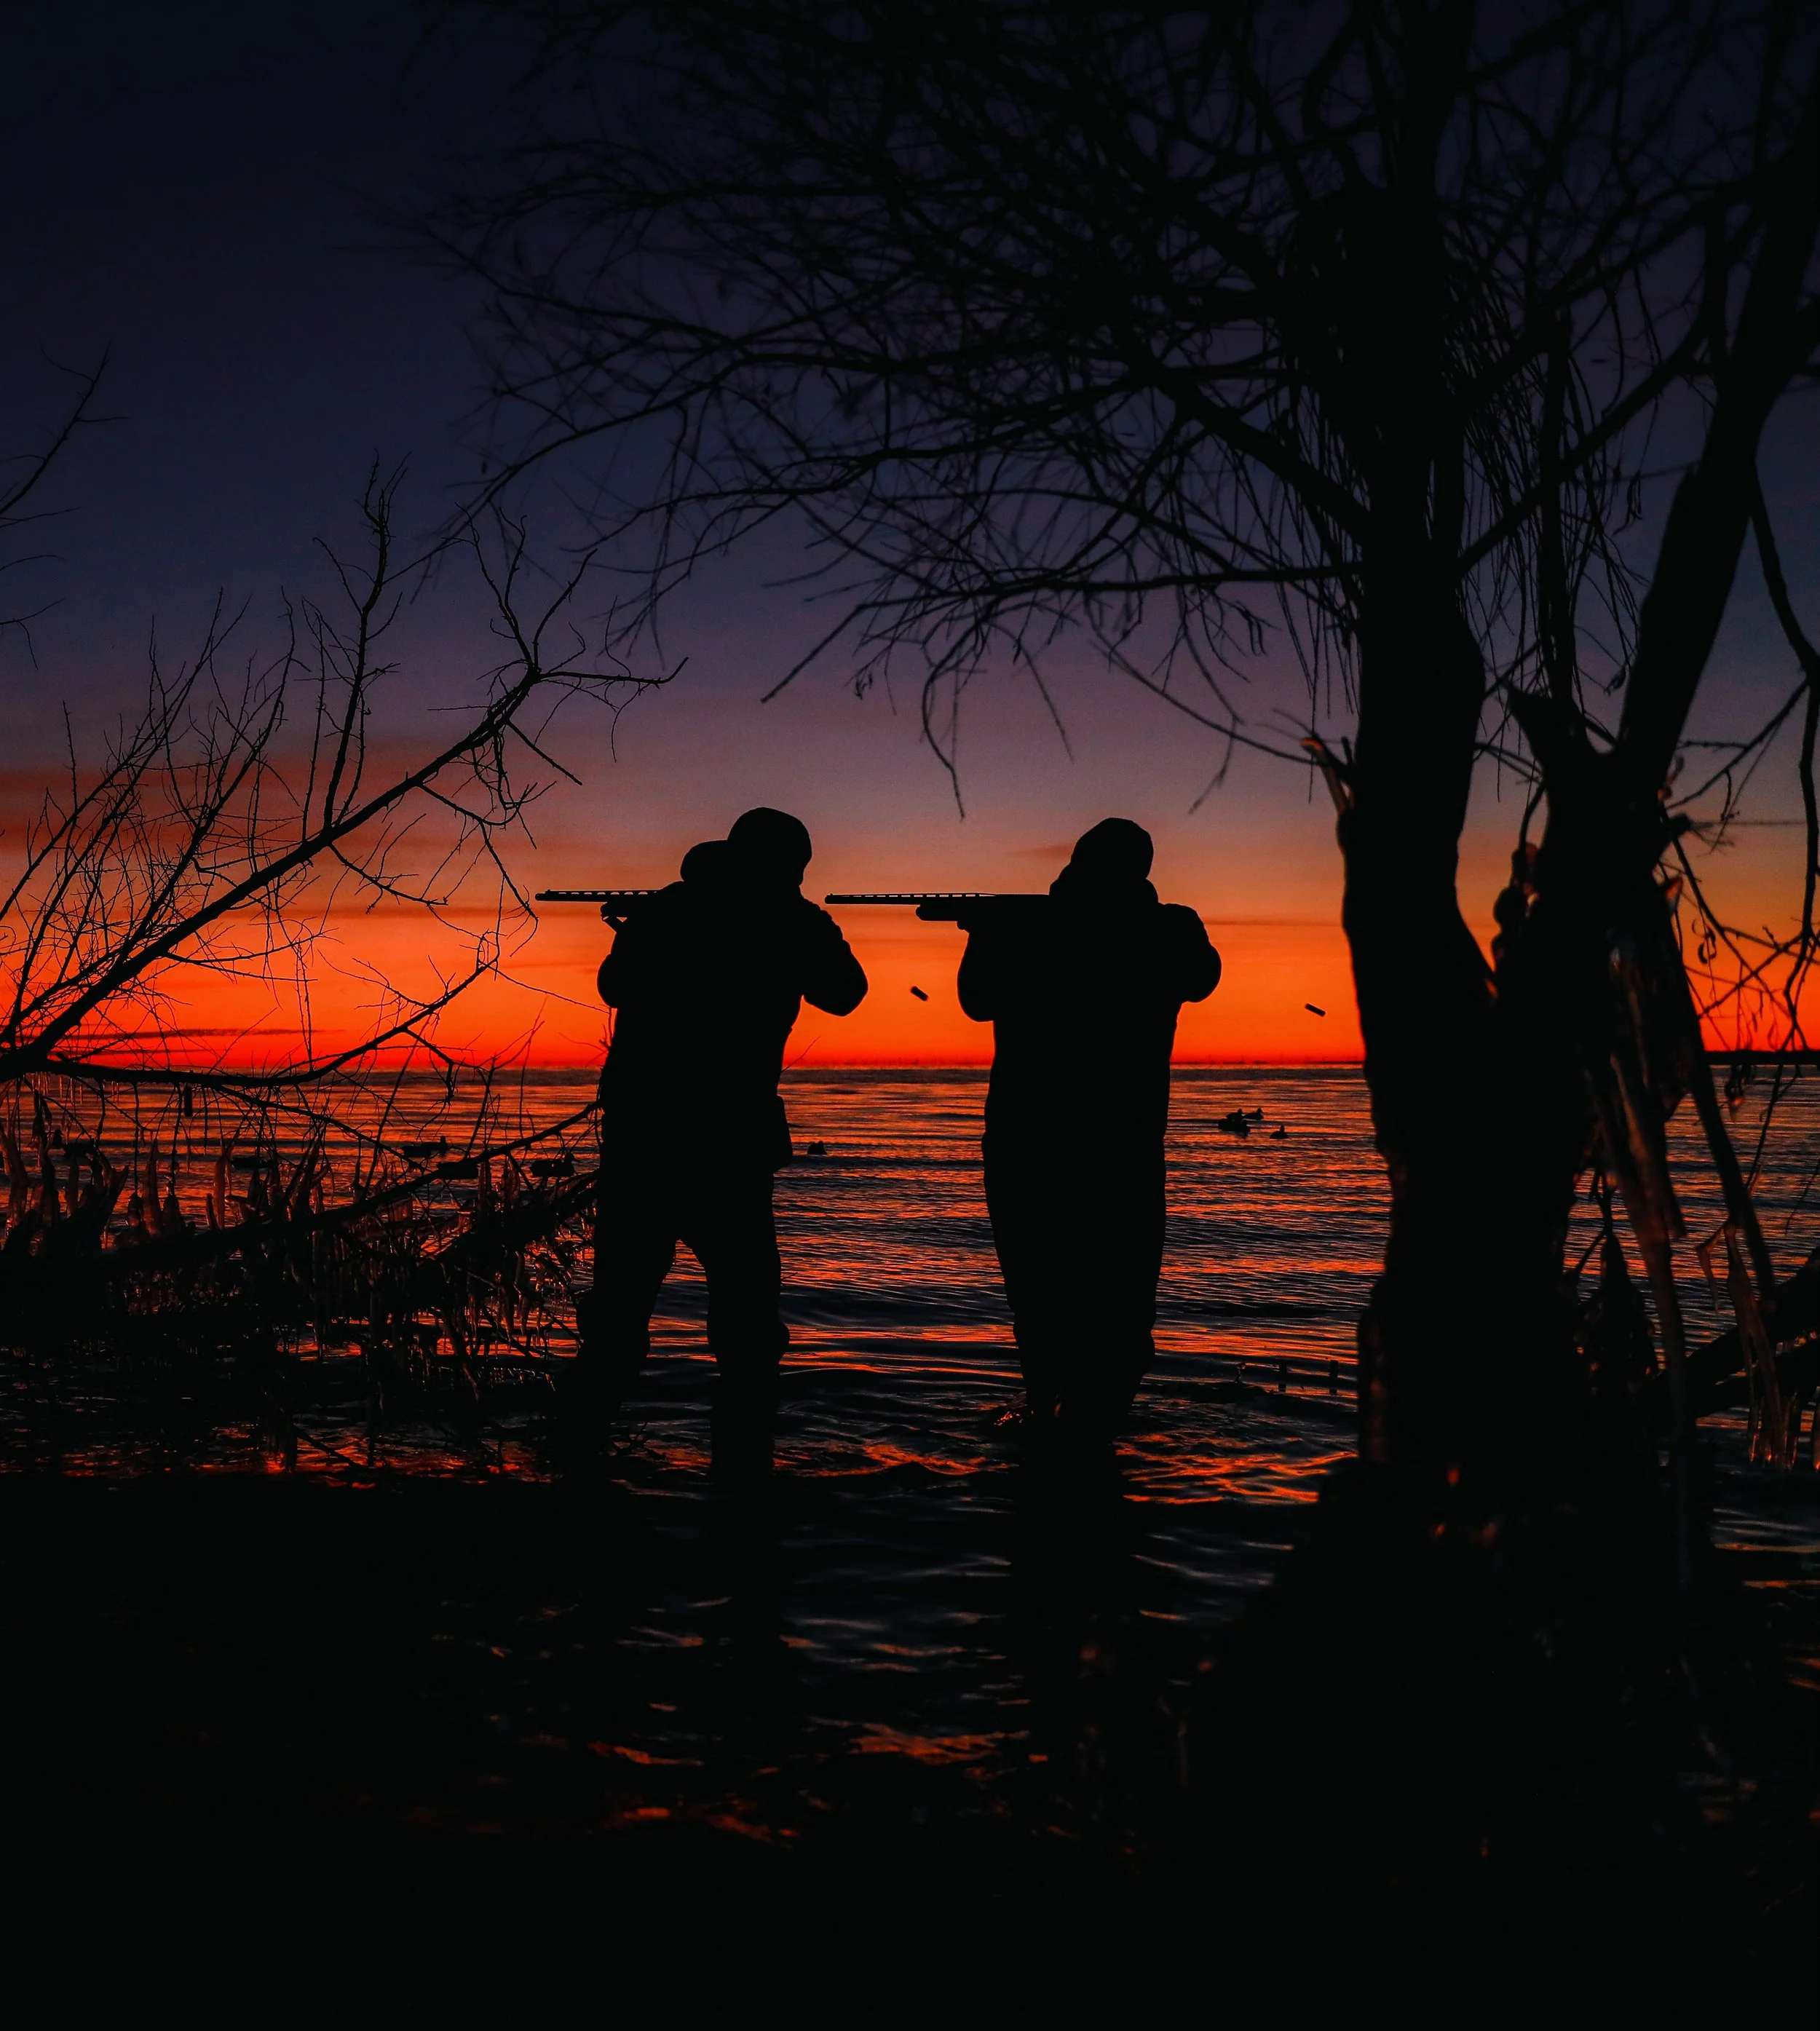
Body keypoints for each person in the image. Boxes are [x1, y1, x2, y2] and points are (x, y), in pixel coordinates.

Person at [575, 808, 868, 1458]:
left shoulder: (670, 911)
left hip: (645, 1139)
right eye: (794, 870)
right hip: (729, 1148)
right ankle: (744, 1464)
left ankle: (579, 1456)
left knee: (619, 1315)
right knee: (748, 1326)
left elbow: (614, 986)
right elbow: (847, 992)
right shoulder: (791, 922)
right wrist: (803, 923)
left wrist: (637, 930)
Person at [957, 818, 1220, 1443]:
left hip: (1028, 1142)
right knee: (1120, 1307)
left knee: (1041, 1300)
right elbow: (1202, 978)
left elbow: (975, 999)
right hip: (1121, 1146)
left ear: (1076, 862)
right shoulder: (1171, 927)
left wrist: (983, 933)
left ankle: (1050, 1426)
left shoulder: (1027, 926)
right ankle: (1092, 1437)